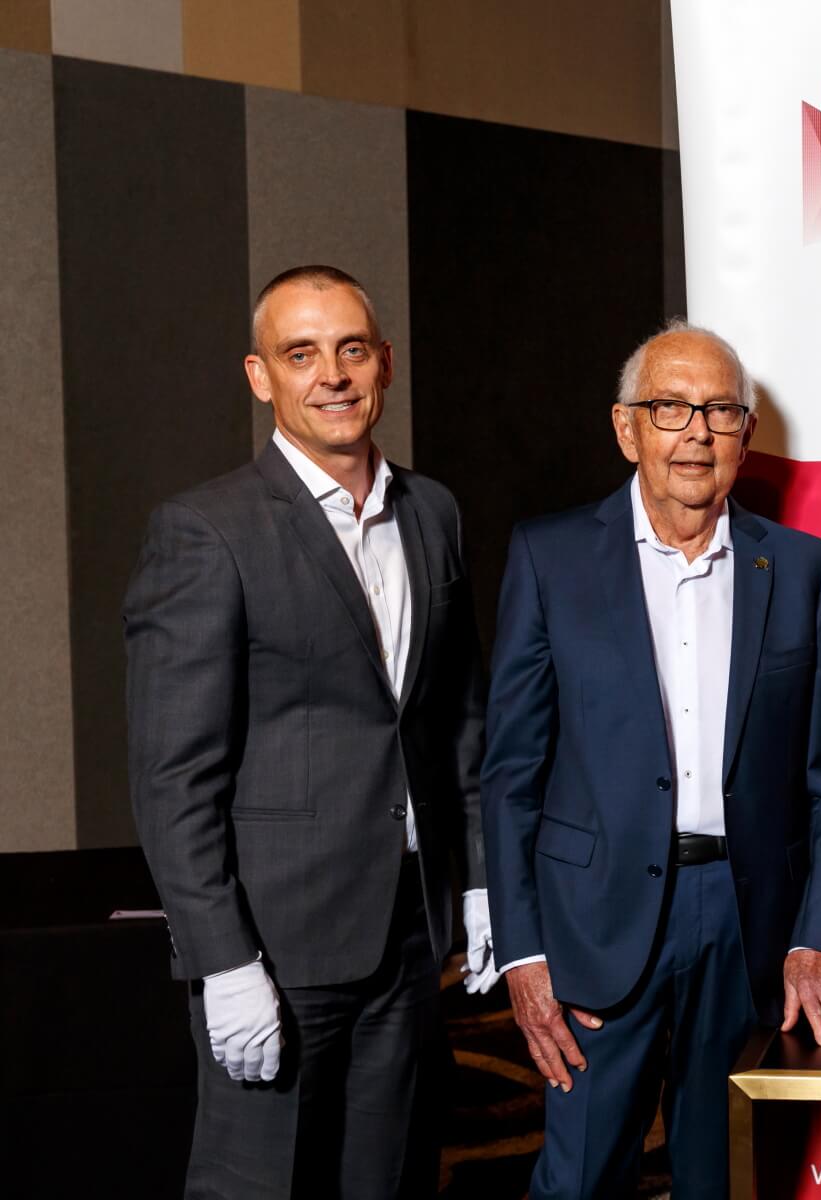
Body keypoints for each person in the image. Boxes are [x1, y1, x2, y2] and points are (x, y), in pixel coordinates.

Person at [125, 265, 497, 1199]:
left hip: (409, 940)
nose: (331, 375)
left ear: (385, 364)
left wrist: (484, 882)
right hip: (275, 949)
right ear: (261, 377)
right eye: (301, 355)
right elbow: (174, 780)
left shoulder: (433, 512)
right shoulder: (205, 531)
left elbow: (458, 721)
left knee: (390, 1183)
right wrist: (223, 961)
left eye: (351, 349)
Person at [483, 322, 821, 1197]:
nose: (696, 431)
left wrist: (817, 936)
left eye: (720, 410)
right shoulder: (550, 558)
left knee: (723, 1178)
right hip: (592, 922)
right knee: (579, 1182)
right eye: (670, 408)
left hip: (745, 922)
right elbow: (510, 775)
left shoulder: (800, 568)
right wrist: (523, 953)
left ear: (746, 434)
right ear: (627, 429)